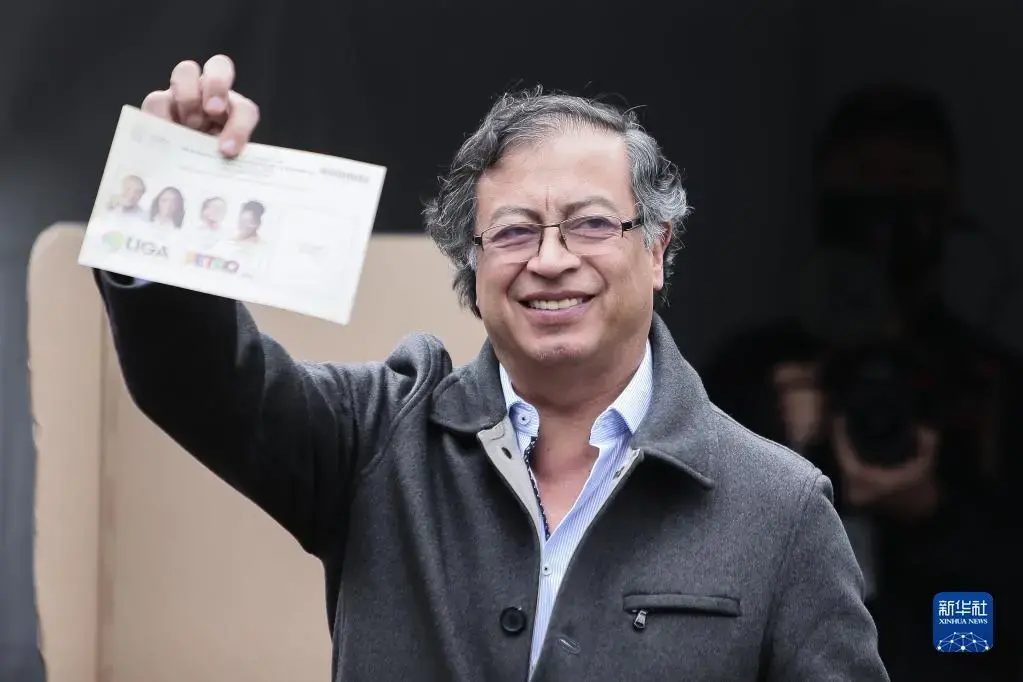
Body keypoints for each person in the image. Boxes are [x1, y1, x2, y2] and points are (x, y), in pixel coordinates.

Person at [93, 54, 888, 681]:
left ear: (655, 249)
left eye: (589, 224)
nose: (550, 259)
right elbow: (201, 385)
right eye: (512, 232)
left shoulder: (780, 509)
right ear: (472, 268)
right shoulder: (377, 441)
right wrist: (169, 187)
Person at [702, 84, 1023, 680]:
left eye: (907, 190)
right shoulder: (757, 373)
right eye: (864, 191)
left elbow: (1001, 621)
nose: (885, 229)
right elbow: (693, 577)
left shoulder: (990, 384)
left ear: (948, 210)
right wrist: (774, 453)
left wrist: (932, 515)